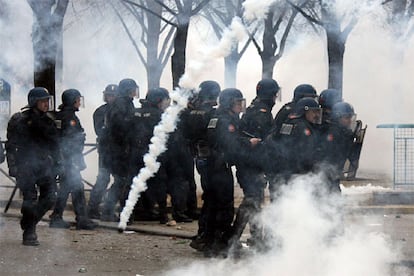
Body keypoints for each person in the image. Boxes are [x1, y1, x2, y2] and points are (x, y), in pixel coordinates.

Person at [204, 88, 261, 257]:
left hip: (212, 167)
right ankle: (222, 246)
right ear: (229, 103)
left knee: (213, 205)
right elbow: (230, 144)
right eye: (237, 102)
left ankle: (210, 243)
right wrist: (248, 143)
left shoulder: (217, 116)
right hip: (220, 167)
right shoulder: (225, 120)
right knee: (224, 207)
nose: (240, 106)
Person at [231, 78, 280, 250]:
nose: (275, 97)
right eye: (274, 94)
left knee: (255, 201)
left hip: (249, 164)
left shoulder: (255, 108)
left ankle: (256, 237)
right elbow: (261, 144)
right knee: (251, 200)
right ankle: (233, 238)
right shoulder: (261, 113)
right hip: (251, 165)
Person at [6, 87, 59, 245]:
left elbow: (55, 146)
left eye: (47, 101)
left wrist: (59, 164)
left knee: (50, 197)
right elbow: (11, 145)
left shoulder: (49, 120)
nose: (46, 104)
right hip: (26, 165)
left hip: (44, 165)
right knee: (30, 199)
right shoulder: (19, 120)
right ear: (33, 102)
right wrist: (13, 165)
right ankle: (30, 233)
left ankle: (29, 222)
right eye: (43, 101)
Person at [180, 80, 221, 250]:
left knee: (208, 196)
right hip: (210, 157)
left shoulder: (189, 112)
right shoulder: (211, 113)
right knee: (214, 198)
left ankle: (203, 233)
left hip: (197, 156)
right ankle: (207, 235)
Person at [49, 89, 97, 230]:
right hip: (68, 159)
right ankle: (81, 219)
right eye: (78, 99)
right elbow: (70, 140)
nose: (79, 102)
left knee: (66, 187)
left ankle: (57, 217)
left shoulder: (59, 115)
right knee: (77, 187)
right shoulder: (70, 118)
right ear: (73, 101)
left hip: (63, 159)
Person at [101, 78, 139, 221]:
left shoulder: (124, 103)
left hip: (120, 149)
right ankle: (109, 211)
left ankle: (112, 211)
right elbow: (119, 126)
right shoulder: (121, 104)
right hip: (119, 150)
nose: (135, 92)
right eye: (133, 89)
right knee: (121, 182)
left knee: (121, 181)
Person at [132, 87, 170, 224]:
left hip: (135, 153)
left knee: (136, 182)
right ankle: (163, 215)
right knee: (159, 183)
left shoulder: (135, 112)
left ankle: (134, 213)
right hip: (154, 154)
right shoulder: (160, 115)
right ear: (159, 100)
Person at [267, 97, 322, 182]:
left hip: (283, 170)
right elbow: (307, 153)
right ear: (304, 112)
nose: (317, 115)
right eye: (314, 112)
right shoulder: (303, 128)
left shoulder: (288, 122)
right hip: (299, 173)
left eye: (318, 112)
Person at [87, 84, 118, 219]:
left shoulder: (119, 110)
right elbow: (101, 131)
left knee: (119, 180)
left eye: (113, 95)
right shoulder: (101, 112)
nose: (111, 98)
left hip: (116, 150)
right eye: (109, 95)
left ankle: (107, 209)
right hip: (107, 150)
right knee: (103, 179)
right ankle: (94, 208)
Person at [320, 102, 356, 193]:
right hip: (326, 173)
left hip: (334, 173)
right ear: (338, 117)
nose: (349, 121)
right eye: (346, 117)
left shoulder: (343, 132)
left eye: (350, 117)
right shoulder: (332, 132)